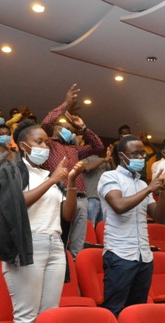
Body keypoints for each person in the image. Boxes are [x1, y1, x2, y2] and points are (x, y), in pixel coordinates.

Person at [0, 120, 81, 323]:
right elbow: (16, 204)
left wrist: (70, 182)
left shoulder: (51, 176)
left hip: (55, 246)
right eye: (39, 142)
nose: (45, 146)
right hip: (27, 246)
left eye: (47, 142)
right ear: (23, 146)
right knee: (25, 322)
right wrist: (53, 178)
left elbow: (67, 215)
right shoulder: (12, 171)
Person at [98, 135, 165, 316]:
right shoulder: (109, 177)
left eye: (142, 154)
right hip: (120, 254)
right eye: (135, 154)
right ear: (122, 155)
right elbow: (119, 206)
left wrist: (163, 190)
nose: (140, 158)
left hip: (144, 256)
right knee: (114, 310)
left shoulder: (141, 183)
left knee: (137, 312)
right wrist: (149, 188)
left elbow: (159, 218)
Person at [40, 84, 105, 257]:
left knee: (77, 244)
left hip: (82, 198)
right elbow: (46, 123)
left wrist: (84, 128)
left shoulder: (75, 149)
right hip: (60, 196)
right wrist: (65, 104)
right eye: (66, 129)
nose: (70, 132)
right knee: (58, 241)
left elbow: (98, 147)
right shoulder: (48, 144)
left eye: (72, 130)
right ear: (56, 129)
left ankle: (75, 267)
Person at [81, 144, 114, 225]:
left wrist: (110, 159)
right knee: (90, 226)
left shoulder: (104, 161)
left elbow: (114, 173)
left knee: (100, 228)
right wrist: (104, 159)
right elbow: (87, 168)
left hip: (103, 200)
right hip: (91, 197)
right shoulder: (84, 159)